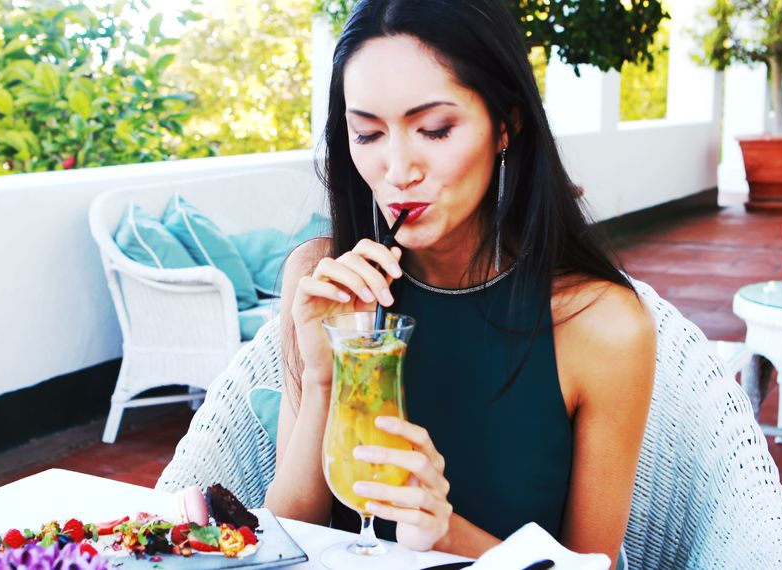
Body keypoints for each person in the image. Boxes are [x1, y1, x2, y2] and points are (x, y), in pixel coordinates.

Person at [263, 0, 656, 566]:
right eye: (368, 135)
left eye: (434, 129)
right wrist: (322, 380)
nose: (398, 171)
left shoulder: (601, 326)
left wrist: (446, 533)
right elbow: (285, 539)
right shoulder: (322, 282)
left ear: (506, 125)